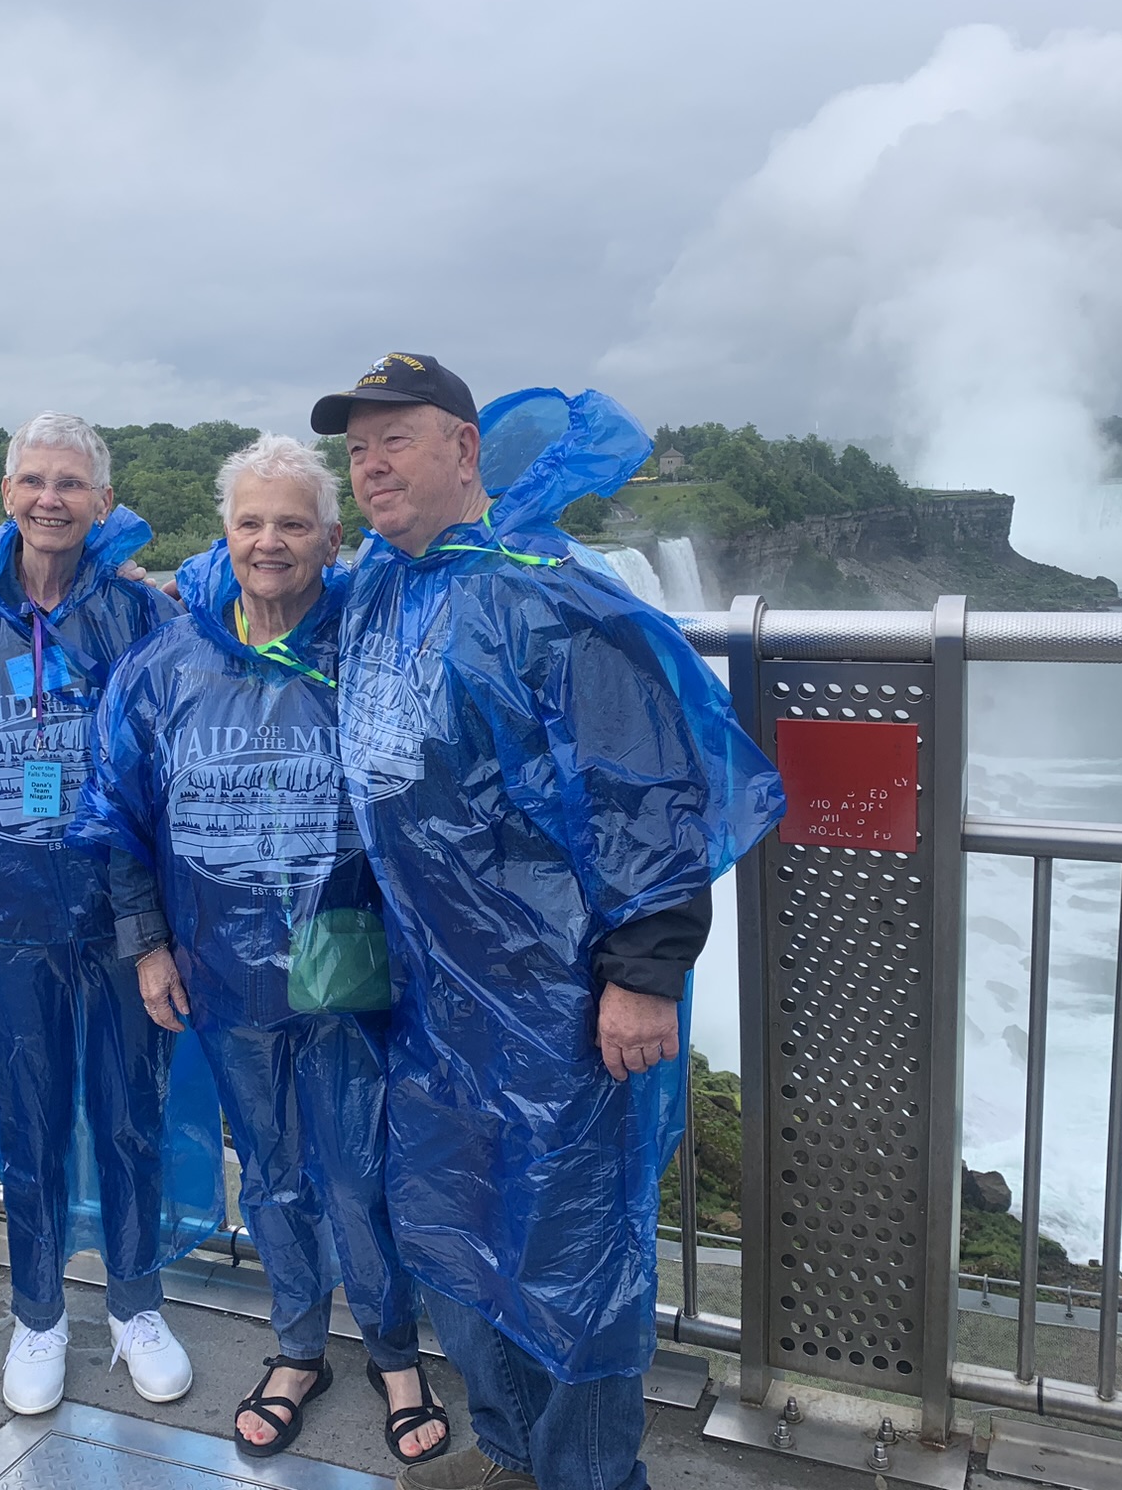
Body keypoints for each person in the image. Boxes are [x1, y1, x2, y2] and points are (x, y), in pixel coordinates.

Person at [312, 356, 785, 1490]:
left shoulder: (553, 597)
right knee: (458, 1240)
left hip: (557, 1008)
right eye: (358, 450)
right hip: (432, 1003)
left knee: (571, 1259)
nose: (372, 467)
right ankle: (514, 1458)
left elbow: (650, 794)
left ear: (465, 449)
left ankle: (588, 1479)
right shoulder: (385, 587)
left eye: (397, 440)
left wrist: (645, 974)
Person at [77, 434, 450, 1465]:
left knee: (361, 1170)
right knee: (274, 1169)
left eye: (292, 523)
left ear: (332, 539)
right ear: (225, 534)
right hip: (222, 967)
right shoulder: (169, 666)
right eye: (250, 522)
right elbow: (119, 817)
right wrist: (149, 948)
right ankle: (297, 1348)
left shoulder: (368, 652)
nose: (269, 542)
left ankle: (392, 1353)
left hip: (350, 963)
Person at [0, 411, 221, 1417]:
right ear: (6, 494)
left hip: (123, 901)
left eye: (71, 483)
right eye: (33, 480)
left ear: (102, 503)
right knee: (29, 1113)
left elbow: (191, 721)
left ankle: (134, 1304)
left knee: (129, 1110)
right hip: (7, 895)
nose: (50, 499)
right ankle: (36, 1313)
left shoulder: (134, 610)